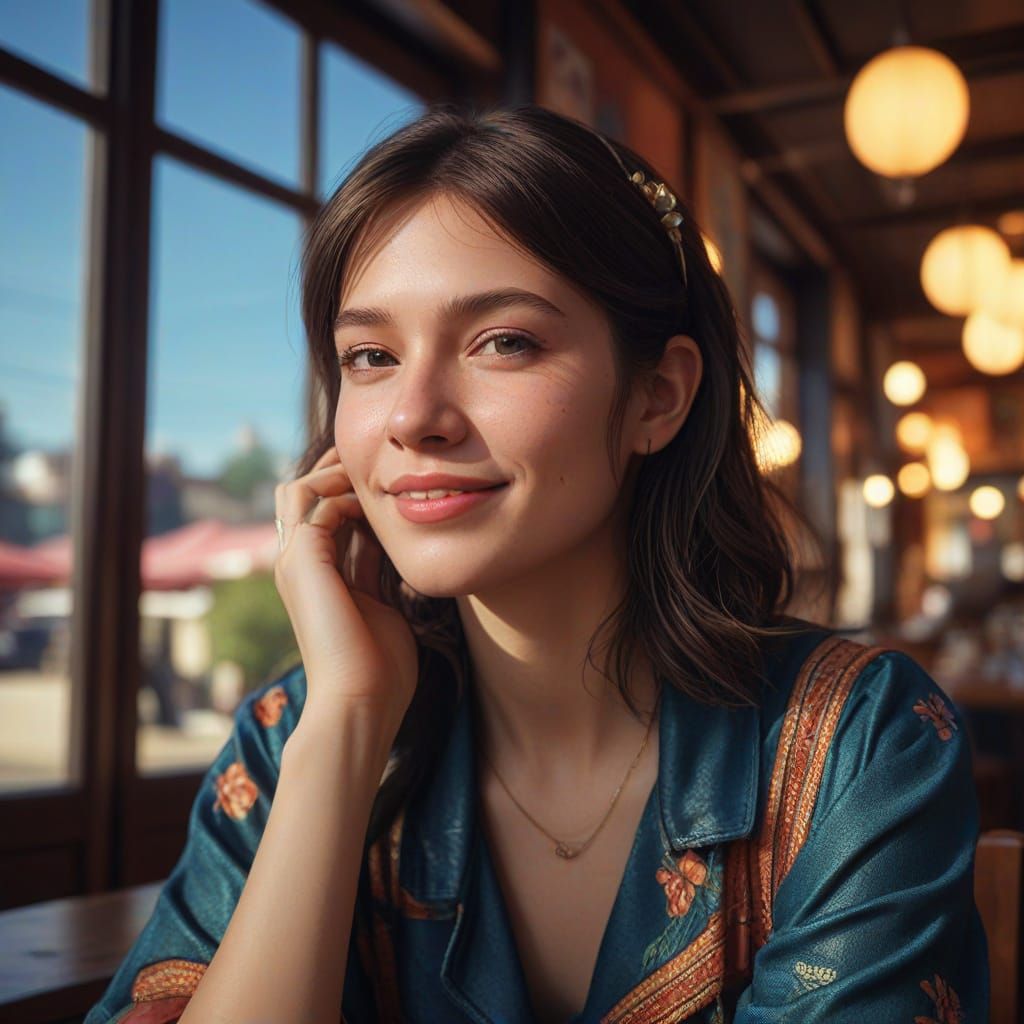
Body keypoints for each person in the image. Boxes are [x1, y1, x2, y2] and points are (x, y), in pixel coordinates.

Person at [83, 104, 988, 1024]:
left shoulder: (856, 742)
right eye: (370, 355)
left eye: (503, 342)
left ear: (657, 396)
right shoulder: (295, 733)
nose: (412, 416)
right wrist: (349, 725)